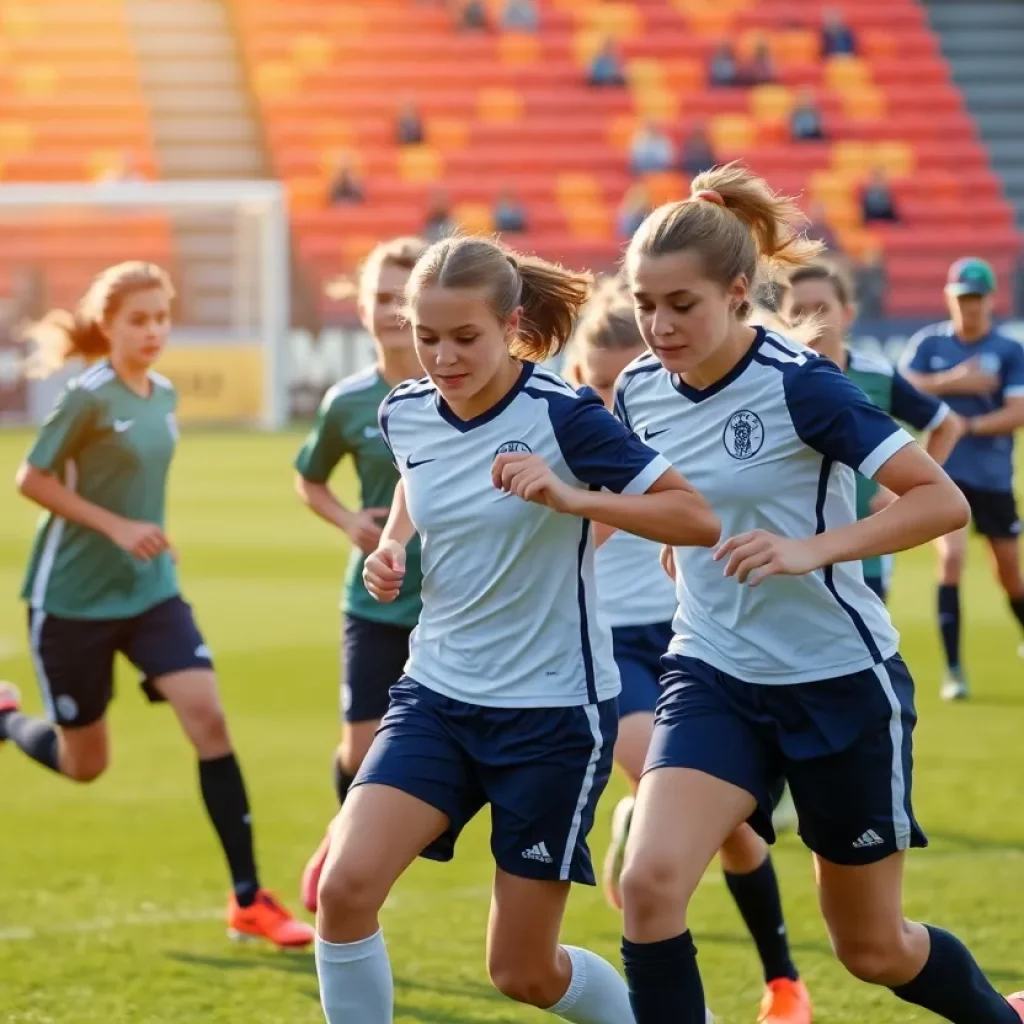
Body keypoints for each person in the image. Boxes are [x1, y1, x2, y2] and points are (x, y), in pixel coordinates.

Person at [613, 166, 1024, 1024]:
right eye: (645, 303)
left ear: (735, 293)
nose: (657, 327)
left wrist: (810, 550)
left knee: (873, 950)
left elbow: (937, 499)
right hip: (712, 673)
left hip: (837, 682)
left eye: (680, 305)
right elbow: (668, 500)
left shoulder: (800, 382)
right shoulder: (637, 391)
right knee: (650, 886)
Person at [313, 236, 721, 1024]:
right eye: (426, 337)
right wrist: (395, 543)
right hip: (436, 695)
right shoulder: (403, 410)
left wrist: (574, 500)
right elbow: (418, 476)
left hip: (552, 716)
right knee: (344, 887)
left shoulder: (561, 417)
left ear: (510, 325)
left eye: (464, 337)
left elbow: (694, 516)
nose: (441, 356)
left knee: (524, 973)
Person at [0, 262, 313, 949]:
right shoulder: (84, 396)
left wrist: (150, 541)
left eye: (160, 318)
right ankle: (5, 719)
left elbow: (138, 485)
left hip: (150, 595)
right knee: (87, 765)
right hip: (72, 602)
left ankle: (247, 900)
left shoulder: (164, 394)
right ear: (107, 324)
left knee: (209, 720)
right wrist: (115, 527)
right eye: (137, 320)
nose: (151, 332)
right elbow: (31, 477)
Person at [566, 278, 812, 1024]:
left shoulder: (676, 424)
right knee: (702, 809)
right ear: (580, 378)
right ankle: (648, 816)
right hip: (608, 651)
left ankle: (782, 983)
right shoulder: (567, 441)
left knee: (737, 831)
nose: (613, 400)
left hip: (686, 640)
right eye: (597, 385)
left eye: (622, 383)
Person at [294, 238, 428, 912]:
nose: (394, 312)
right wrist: (350, 522)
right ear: (362, 305)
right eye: (382, 297)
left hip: (450, 604)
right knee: (360, 748)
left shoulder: (457, 391)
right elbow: (308, 478)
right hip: (373, 601)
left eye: (407, 299)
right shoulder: (348, 401)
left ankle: (353, 862)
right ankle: (343, 839)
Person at [781, 261, 963, 602]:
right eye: (797, 311)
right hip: (787, 550)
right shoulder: (768, 381)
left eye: (821, 309)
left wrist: (901, 494)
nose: (810, 321)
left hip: (863, 556)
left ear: (847, 314)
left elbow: (946, 424)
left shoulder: (876, 376)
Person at [899, 257, 1024, 700]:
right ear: (950, 298)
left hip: (991, 477)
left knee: (1010, 575)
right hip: (943, 474)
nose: (968, 307)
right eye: (961, 299)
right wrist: (955, 382)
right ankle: (954, 671)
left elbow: (1017, 412)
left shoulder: (1009, 351)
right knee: (950, 561)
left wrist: (965, 425)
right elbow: (903, 385)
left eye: (975, 299)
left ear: (990, 300)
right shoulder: (928, 344)